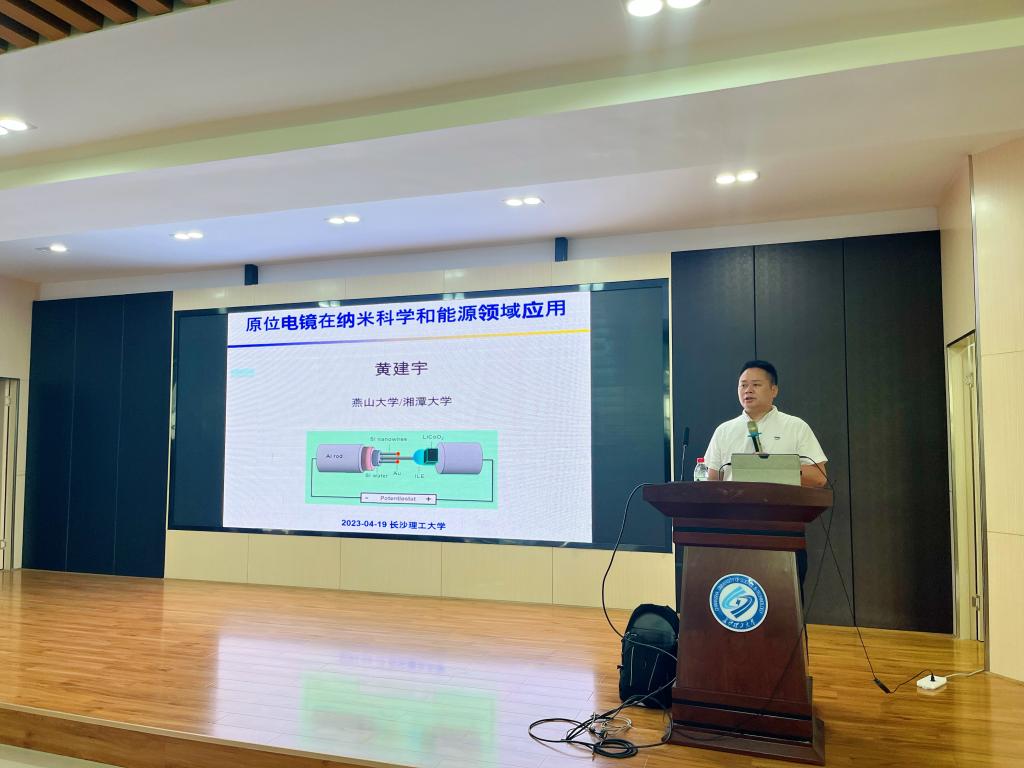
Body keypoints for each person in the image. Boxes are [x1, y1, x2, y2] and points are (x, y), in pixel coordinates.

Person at [704, 360, 828, 488]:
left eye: (756, 385)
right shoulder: (724, 431)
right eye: (743, 385)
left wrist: (773, 466)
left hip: (782, 500)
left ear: (774, 390)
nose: (748, 390)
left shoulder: (796, 426)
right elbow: (711, 483)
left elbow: (819, 478)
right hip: (736, 501)